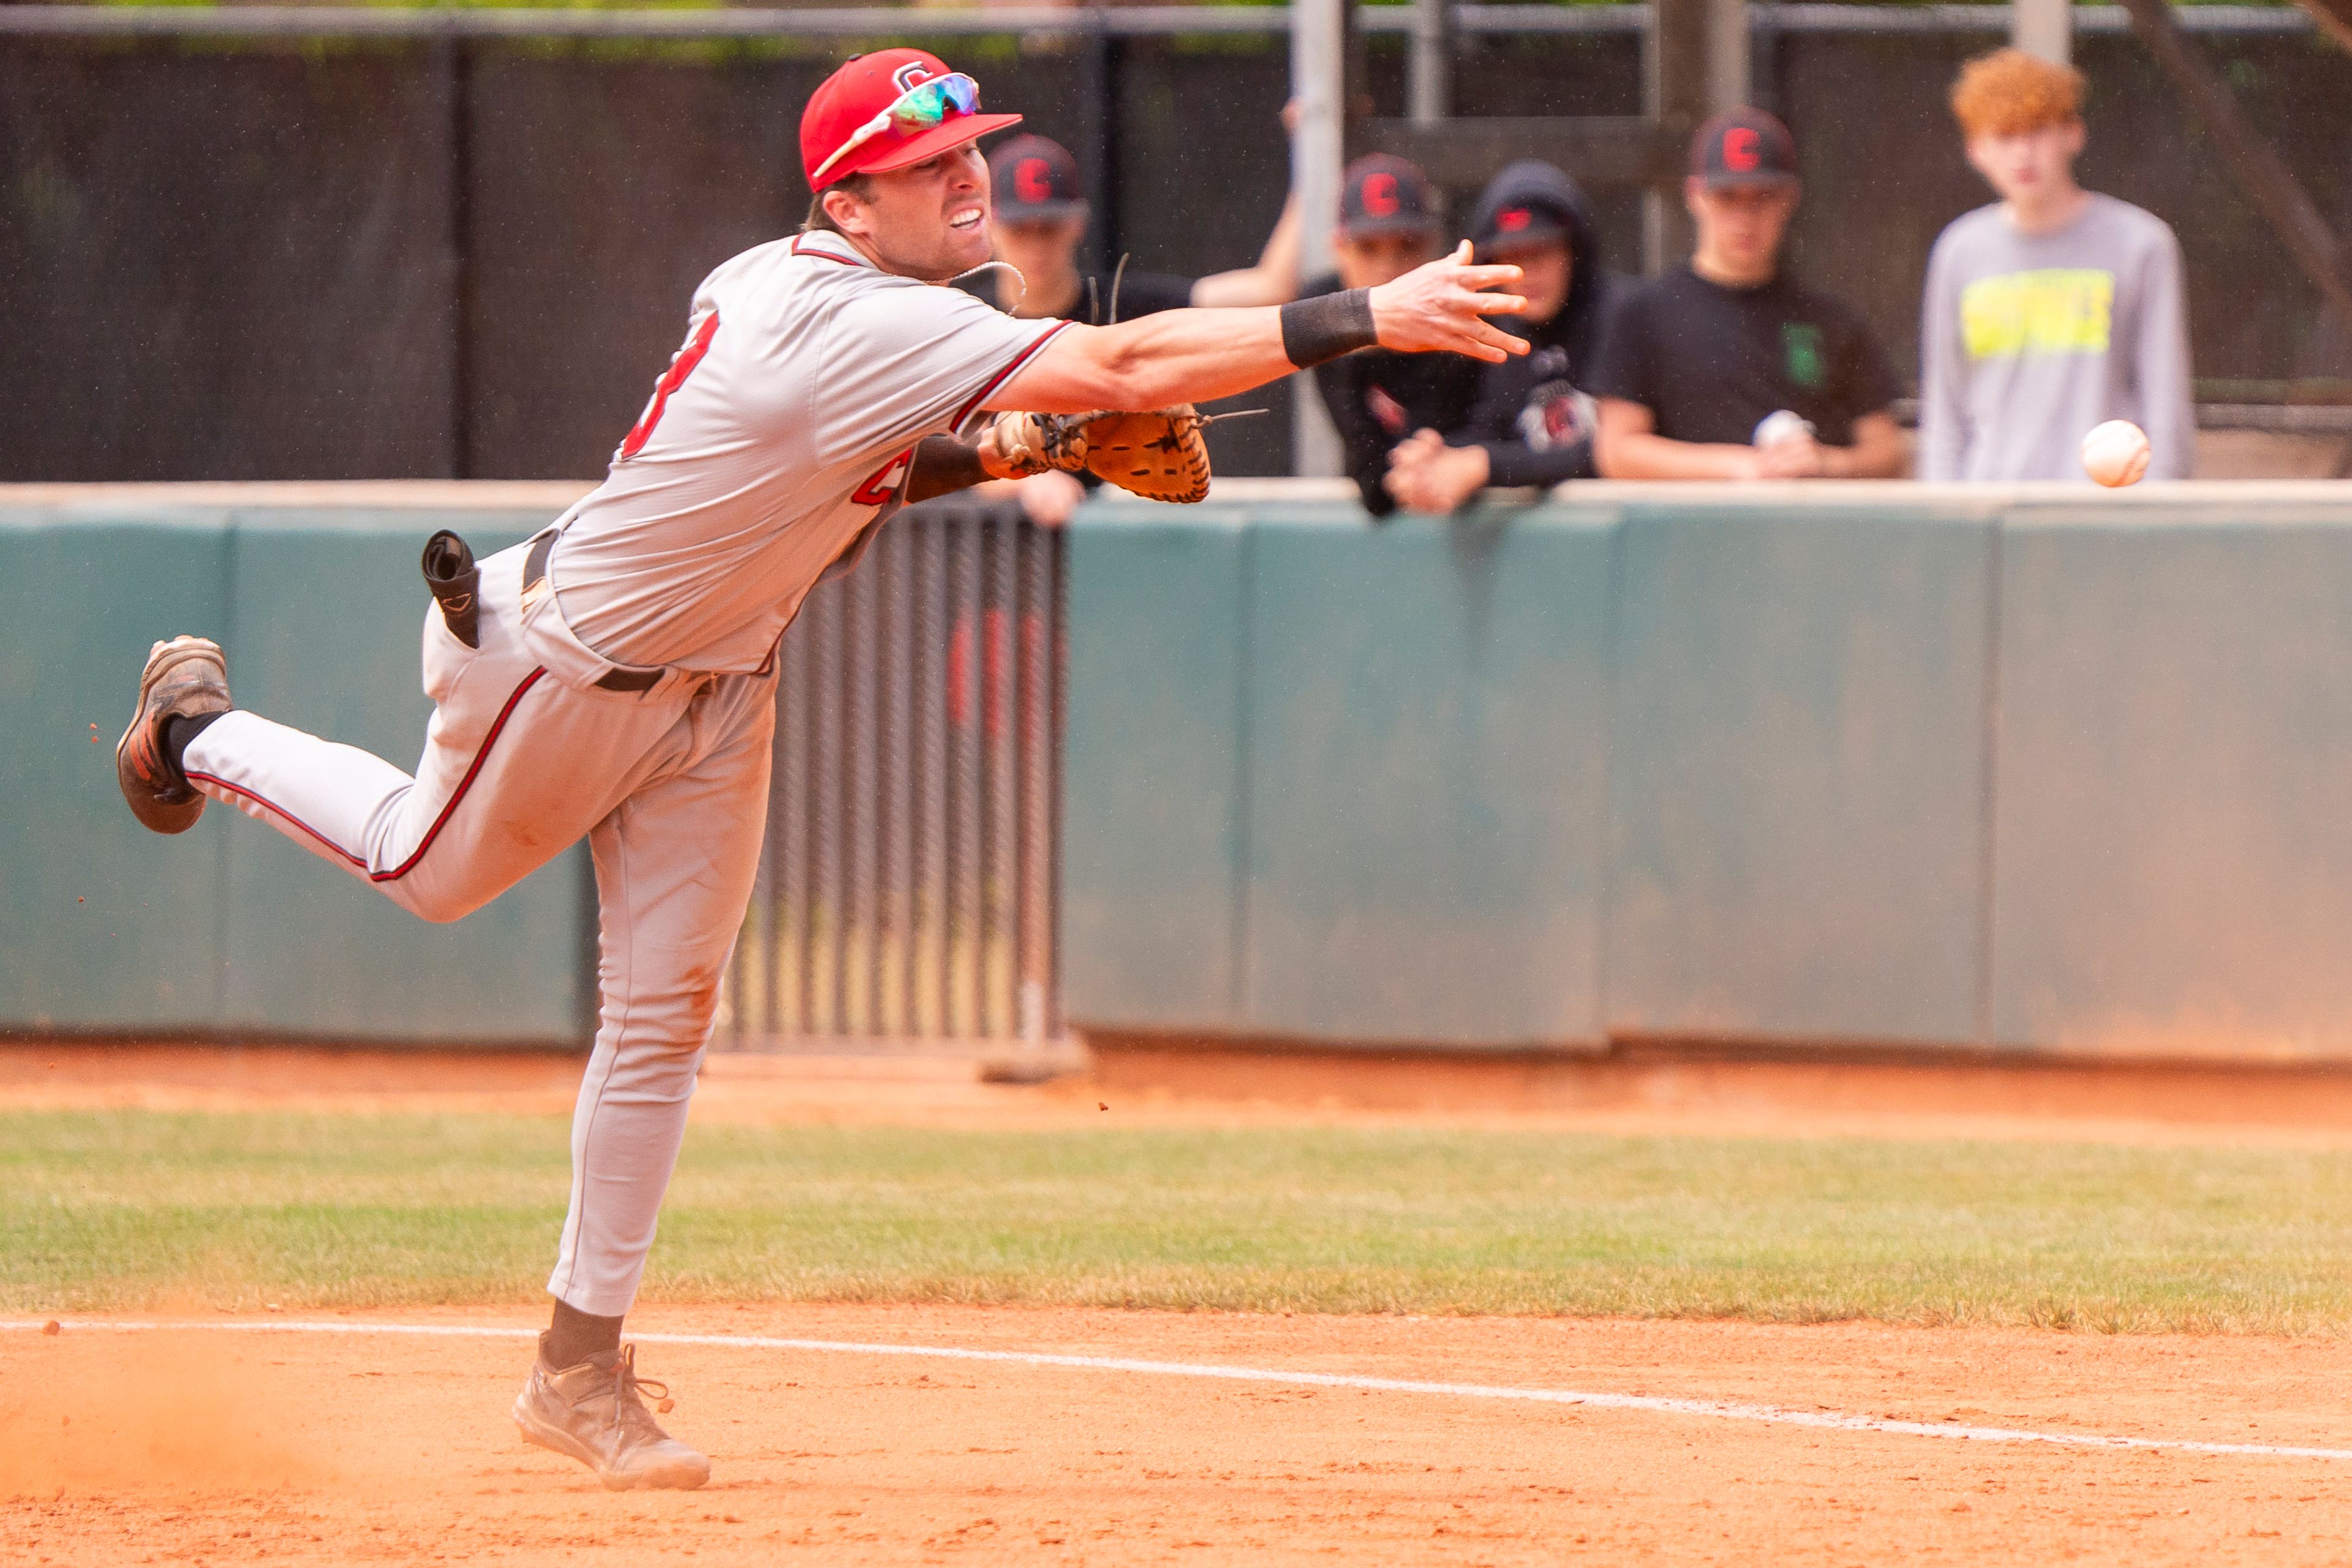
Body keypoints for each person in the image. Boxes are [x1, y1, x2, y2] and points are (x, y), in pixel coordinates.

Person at [110, 48, 1527, 1491]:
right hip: (555, 664)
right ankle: (192, 729)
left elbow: (848, 472)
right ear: (849, 204)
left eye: (974, 146)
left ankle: (577, 1369)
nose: (970, 172)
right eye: (932, 163)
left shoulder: (813, 293)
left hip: (720, 688)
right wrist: (1366, 312)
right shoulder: (844, 315)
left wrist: (1005, 449)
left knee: (661, 1019)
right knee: (423, 868)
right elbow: (1118, 362)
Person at [969, 130, 1303, 526]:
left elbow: (1269, 289)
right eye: (1020, 229)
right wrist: (1023, 482)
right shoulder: (970, 321)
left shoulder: (1125, 307)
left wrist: (1311, 155)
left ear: (1077, 223)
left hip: (1120, 536)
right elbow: (941, 450)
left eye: (1049, 227)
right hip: (994, 551)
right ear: (989, 227)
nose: (1036, 245)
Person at [1918, 48, 2195, 482]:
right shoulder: (1959, 251)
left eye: (2038, 132)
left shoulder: (2142, 244)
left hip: (2102, 521)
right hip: (1990, 521)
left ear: (2074, 134)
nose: (2023, 154)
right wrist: (1945, 525)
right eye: (2004, 136)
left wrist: (2149, 524)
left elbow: (2167, 412)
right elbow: (1945, 413)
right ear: (1976, 150)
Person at [1590, 108, 1906, 481]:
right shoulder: (1644, 314)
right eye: (1728, 197)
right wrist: (1740, 466)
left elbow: (1888, 450)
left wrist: (1825, 463)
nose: (1745, 216)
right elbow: (1617, 450)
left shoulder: (1832, 319)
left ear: (1790, 199)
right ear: (1695, 196)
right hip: (1687, 532)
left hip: (1808, 530)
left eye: (1763, 197)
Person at [1386, 159, 1617, 513]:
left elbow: (1623, 452)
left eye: (1541, 252)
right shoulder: (1496, 334)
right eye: (1510, 256)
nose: (1526, 272)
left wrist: (1484, 466)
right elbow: (1491, 432)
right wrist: (1439, 457)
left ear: (1574, 251)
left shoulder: (1624, 316)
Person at [1302, 154, 1480, 516]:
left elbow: (1412, 470)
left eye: (1407, 247)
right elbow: (1375, 481)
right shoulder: (1320, 309)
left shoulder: (1464, 311)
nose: (1387, 269)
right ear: (1339, 250)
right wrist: (1359, 336)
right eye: (1368, 248)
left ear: (1433, 248)